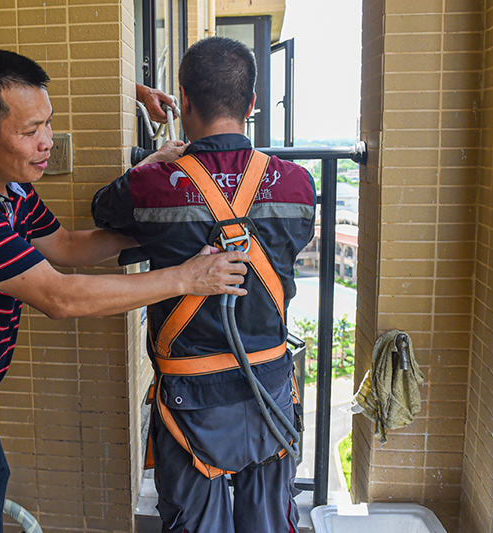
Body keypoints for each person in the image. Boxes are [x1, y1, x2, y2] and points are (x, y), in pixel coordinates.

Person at [0, 48, 251, 533]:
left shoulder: (9, 189)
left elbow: (67, 245)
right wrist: (185, 277)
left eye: (48, 124)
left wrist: (172, 224)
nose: (47, 142)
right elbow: (59, 296)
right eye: (29, 130)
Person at [92, 36, 316, 533]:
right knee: (270, 523)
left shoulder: (154, 187)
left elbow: (103, 211)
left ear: (185, 100)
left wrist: (153, 163)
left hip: (189, 401)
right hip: (269, 389)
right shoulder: (298, 185)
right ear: (252, 104)